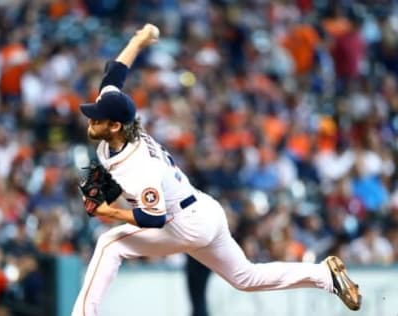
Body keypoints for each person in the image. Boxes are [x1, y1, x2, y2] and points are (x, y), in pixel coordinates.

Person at [71, 24, 361, 316]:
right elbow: (116, 73)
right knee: (246, 277)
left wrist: (109, 212)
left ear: (116, 125)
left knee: (110, 244)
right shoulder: (121, 125)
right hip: (204, 210)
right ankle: (324, 275)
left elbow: (152, 218)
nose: (90, 120)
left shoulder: (138, 165)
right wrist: (138, 39)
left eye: (97, 118)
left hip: (183, 224)